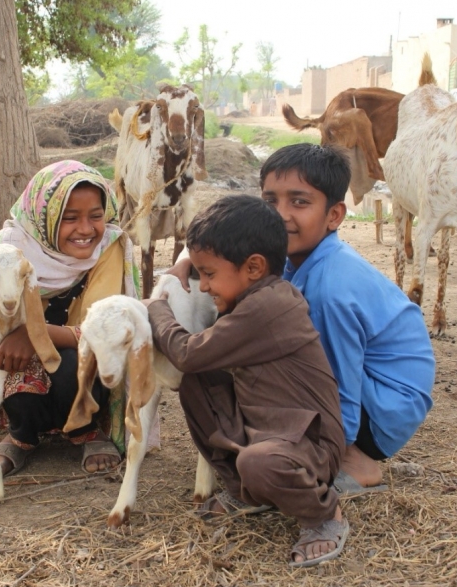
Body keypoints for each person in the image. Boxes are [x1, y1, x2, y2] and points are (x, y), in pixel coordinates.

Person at [169, 143, 435, 497]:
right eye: (270, 201)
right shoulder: (296, 258)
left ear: (335, 215)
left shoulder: (330, 289)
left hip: (383, 405)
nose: (280, 215)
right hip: (371, 389)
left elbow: (337, 377)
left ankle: (354, 460)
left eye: (299, 202)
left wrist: (332, 450)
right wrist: (206, 263)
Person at [147, 194, 349, 567]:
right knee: (195, 384)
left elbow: (188, 352)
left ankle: (323, 516)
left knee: (260, 461)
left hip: (310, 445)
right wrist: (188, 264)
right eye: (200, 273)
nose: (203, 286)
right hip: (268, 431)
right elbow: (194, 365)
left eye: (208, 275)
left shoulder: (268, 307)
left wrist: (158, 307)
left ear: (254, 267)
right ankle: (246, 492)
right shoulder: (254, 291)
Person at [0, 160, 142, 475]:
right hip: (14, 350)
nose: (86, 230)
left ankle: (83, 429)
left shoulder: (109, 248)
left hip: (78, 354)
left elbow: (107, 328)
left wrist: (34, 334)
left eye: (95, 216)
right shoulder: (8, 248)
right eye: (69, 218)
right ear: (44, 218)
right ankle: (21, 435)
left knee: (75, 363)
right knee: (1, 360)